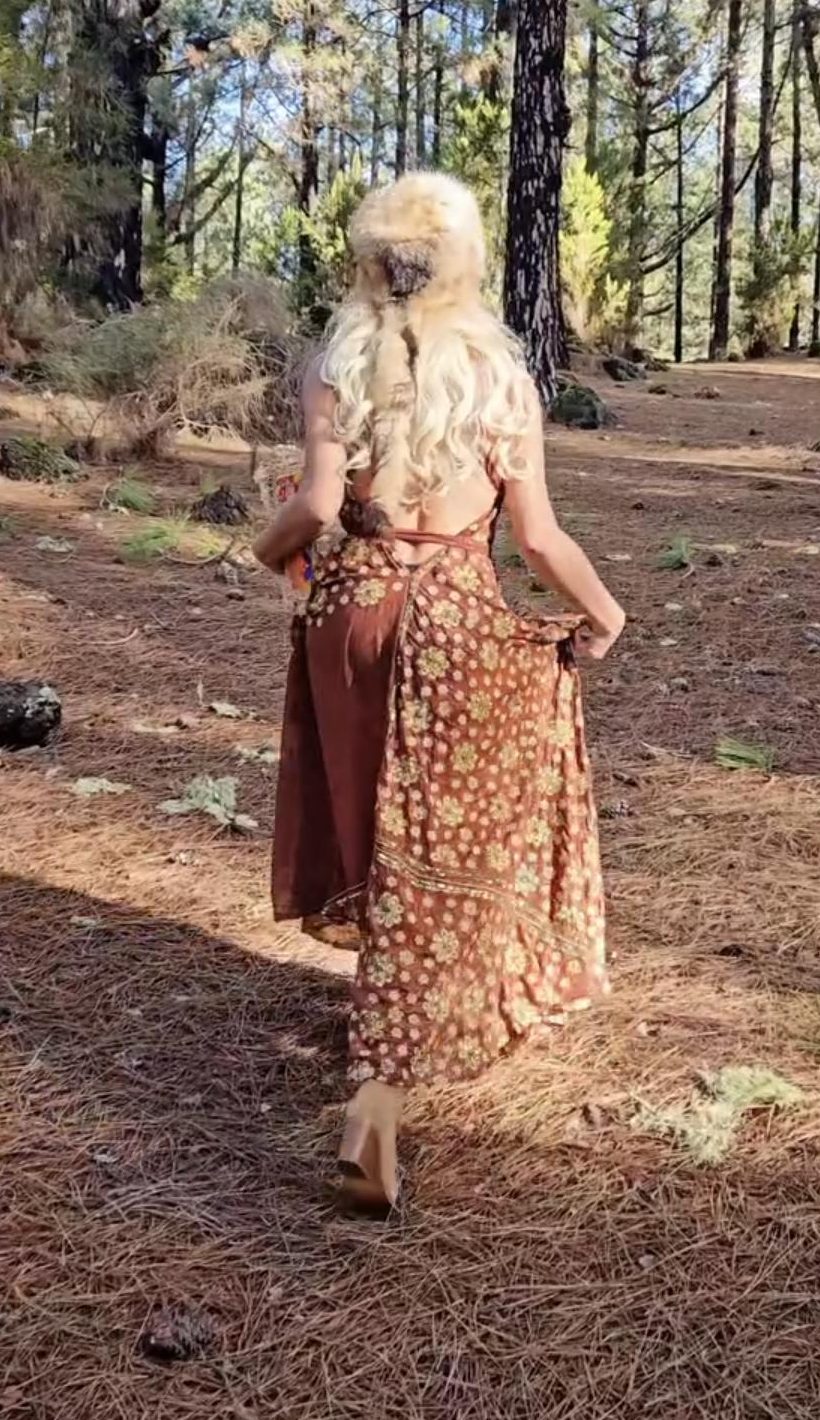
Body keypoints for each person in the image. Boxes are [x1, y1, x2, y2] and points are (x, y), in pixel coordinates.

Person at [254, 173, 625, 1211]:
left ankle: (387, 997)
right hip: (456, 622)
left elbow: (316, 507)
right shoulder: (499, 377)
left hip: (350, 618)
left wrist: (264, 551)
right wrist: (603, 613)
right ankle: (379, 1093)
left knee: (374, 822)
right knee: (450, 833)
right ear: (466, 263)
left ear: (369, 260)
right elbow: (537, 539)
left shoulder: (336, 364)